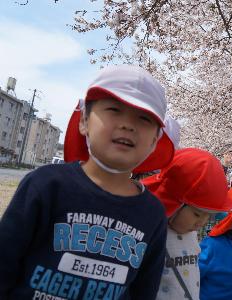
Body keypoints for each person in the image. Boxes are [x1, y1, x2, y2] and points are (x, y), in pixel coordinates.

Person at [0, 65, 174, 298]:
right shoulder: (46, 185)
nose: (128, 125)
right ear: (84, 121)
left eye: (144, 118)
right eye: (114, 109)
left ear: (155, 141)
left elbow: (144, 289)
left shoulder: (153, 214)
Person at [142, 148, 232, 300]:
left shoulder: (189, 233)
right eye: (197, 214)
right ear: (173, 204)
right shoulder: (151, 233)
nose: (201, 222)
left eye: (208, 216)